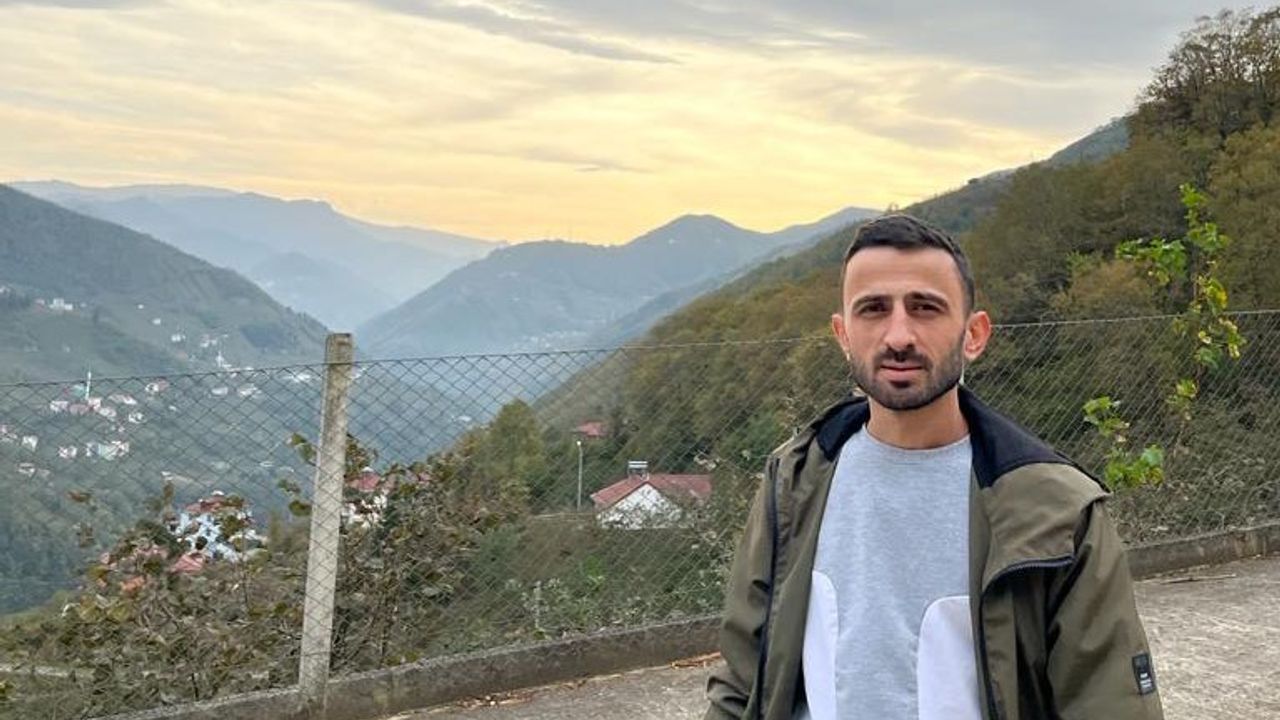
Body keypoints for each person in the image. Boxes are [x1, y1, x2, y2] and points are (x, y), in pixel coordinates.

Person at [705, 215, 1164, 720]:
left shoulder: (1057, 512)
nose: (899, 335)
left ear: (974, 334)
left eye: (925, 308)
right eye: (873, 309)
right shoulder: (794, 482)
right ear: (843, 334)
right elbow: (742, 680)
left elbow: (1111, 702)